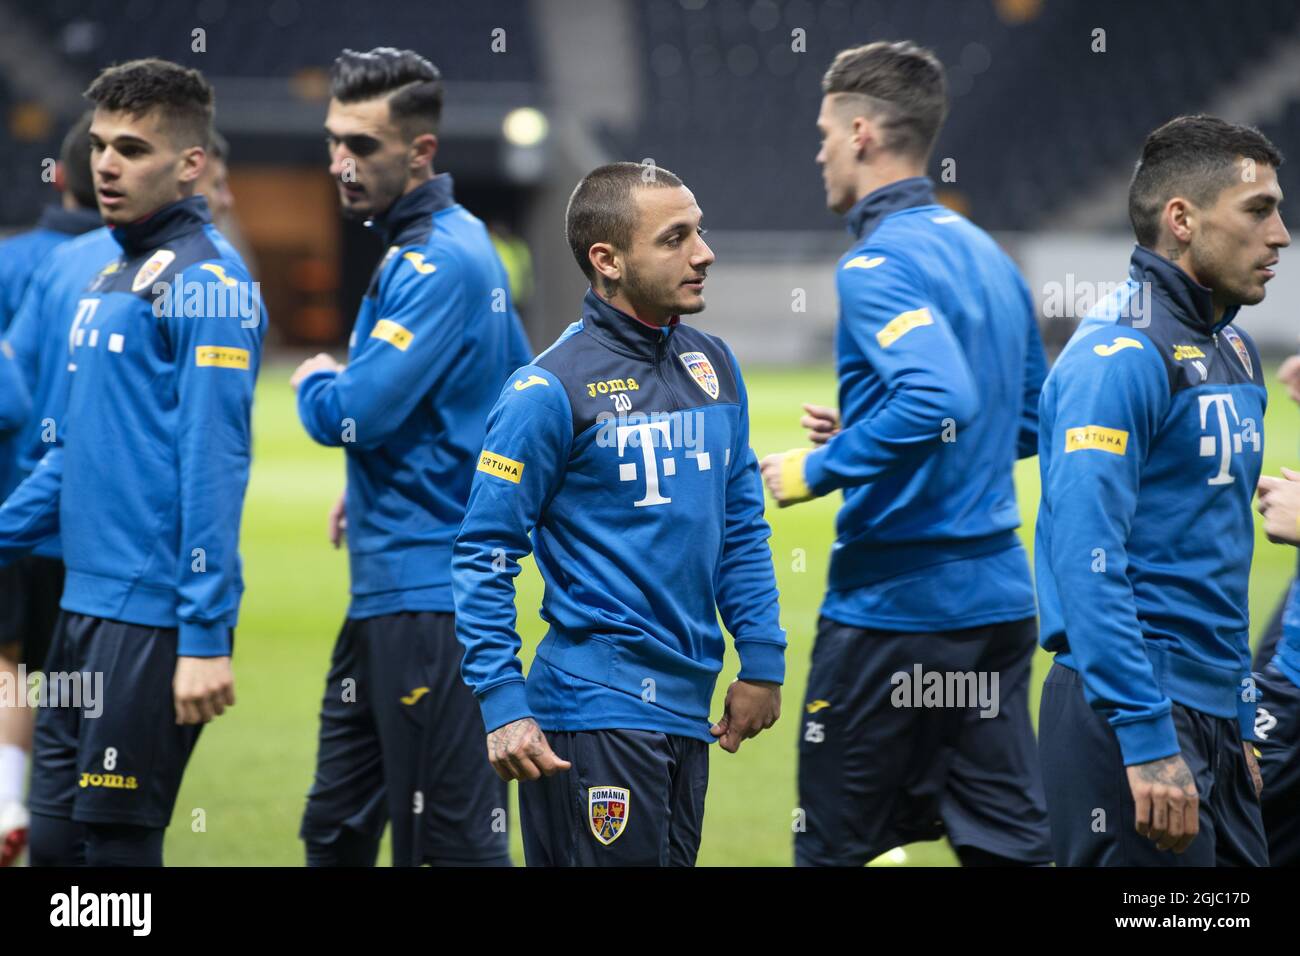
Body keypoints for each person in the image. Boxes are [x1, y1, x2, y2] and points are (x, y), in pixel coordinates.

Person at [759, 41, 1051, 867]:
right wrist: (868, 428)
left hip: (898, 612)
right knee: (1008, 845)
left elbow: (940, 399)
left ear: (859, 132)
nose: (816, 150)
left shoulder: (875, 264)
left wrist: (822, 468)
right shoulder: (989, 254)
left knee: (834, 845)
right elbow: (1026, 419)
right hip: (995, 604)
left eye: (823, 132)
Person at [452, 161, 785, 867]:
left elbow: (743, 526)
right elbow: (484, 550)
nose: (704, 253)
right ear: (608, 260)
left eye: (699, 231)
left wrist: (760, 658)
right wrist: (503, 701)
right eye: (675, 238)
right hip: (592, 712)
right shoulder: (546, 391)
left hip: (684, 711)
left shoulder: (714, 366)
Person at [0, 58, 265, 867]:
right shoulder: (111, 272)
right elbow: (71, 454)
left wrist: (205, 636)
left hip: (148, 618)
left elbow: (214, 464)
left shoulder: (209, 284)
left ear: (191, 165)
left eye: (134, 149)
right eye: (104, 146)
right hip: (80, 611)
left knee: (114, 852)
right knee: (51, 843)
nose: (107, 165)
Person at [292, 47, 531, 868]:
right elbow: (504, 400)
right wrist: (375, 485)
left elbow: (355, 411)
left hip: (434, 601)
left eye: (361, 145)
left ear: (421, 152)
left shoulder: (437, 261)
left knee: (450, 847)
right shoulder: (435, 245)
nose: (339, 163)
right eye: (333, 141)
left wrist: (316, 382)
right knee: (337, 826)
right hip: (391, 589)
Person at [1035, 114, 1288, 866]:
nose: (1279, 234)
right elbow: (1087, 559)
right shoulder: (1119, 354)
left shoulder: (1234, 347)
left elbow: (1216, 553)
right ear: (1181, 219)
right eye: (1258, 210)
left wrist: (1240, 713)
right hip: (1132, 708)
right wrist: (1147, 741)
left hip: (1215, 714)